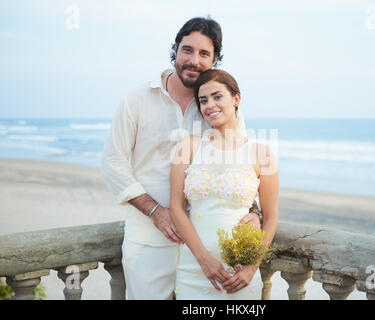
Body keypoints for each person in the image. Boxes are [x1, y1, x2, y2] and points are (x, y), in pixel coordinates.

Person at [100, 17, 260, 300]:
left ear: (215, 60)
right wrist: (155, 211)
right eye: (187, 50)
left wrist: (256, 213)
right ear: (174, 49)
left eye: (204, 54)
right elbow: (112, 162)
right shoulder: (137, 99)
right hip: (149, 239)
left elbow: (243, 166)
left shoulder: (219, 107)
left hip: (208, 244)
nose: (194, 60)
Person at [170, 69, 279, 299]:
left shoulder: (262, 154)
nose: (210, 105)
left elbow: (270, 219)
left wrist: (251, 268)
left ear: (236, 99)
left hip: (239, 275)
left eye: (217, 97)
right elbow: (177, 209)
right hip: (194, 270)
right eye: (203, 100)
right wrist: (204, 260)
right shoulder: (187, 147)